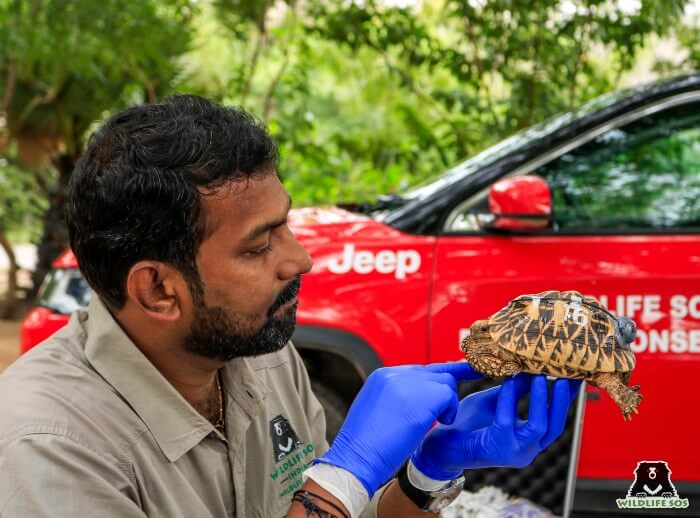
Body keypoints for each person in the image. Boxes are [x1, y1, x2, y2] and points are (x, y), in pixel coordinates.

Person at [0, 95, 580, 517]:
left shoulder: (259, 359)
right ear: (157, 290)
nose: (299, 259)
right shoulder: (49, 449)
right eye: (258, 246)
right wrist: (342, 474)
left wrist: (429, 471)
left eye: (287, 226)